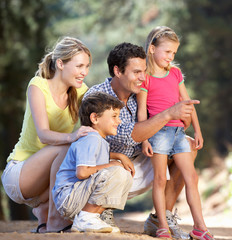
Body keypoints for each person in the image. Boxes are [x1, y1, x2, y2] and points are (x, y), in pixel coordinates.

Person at [84, 42, 199, 239]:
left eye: (144, 71)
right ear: (117, 71)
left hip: (137, 166)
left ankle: (161, 218)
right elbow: (129, 134)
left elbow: (173, 127)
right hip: (105, 172)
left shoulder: (143, 94)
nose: (142, 77)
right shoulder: (97, 96)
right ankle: (102, 209)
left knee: (186, 145)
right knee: (117, 166)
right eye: (136, 72)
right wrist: (168, 113)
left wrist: (182, 117)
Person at [1, 37, 95, 233]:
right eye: (79, 66)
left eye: (86, 66)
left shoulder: (81, 92)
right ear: (61, 64)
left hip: (43, 188)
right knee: (68, 146)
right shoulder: (38, 86)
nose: (84, 72)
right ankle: (54, 218)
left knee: (81, 150)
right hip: (19, 174)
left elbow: (101, 112)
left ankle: (44, 212)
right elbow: (43, 134)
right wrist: (72, 136)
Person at [137, 26, 213, 240]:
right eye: (167, 52)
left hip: (179, 132)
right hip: (157, 133)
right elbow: (142, 111)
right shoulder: (146, 78)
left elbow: (188, 104)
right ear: (152, 49)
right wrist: (144, 139)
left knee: (192, 177)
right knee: (160, 179)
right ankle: (161, 225)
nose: (170, 57)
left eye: (174, 53)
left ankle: (199, 227)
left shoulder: (176, 74)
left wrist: (197, 130)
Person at [52, 92, 133, 233]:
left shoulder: (98, 140)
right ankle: (86, 218)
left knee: (123, 174)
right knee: (117, 172)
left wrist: (118, 156)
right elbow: (82, 172)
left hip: (77, 195)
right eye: (114, 116)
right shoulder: (91, 138)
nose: (118, 121)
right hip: (69, 197)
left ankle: (92, 216)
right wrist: (112, 164)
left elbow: (96, 161)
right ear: (94, 118)